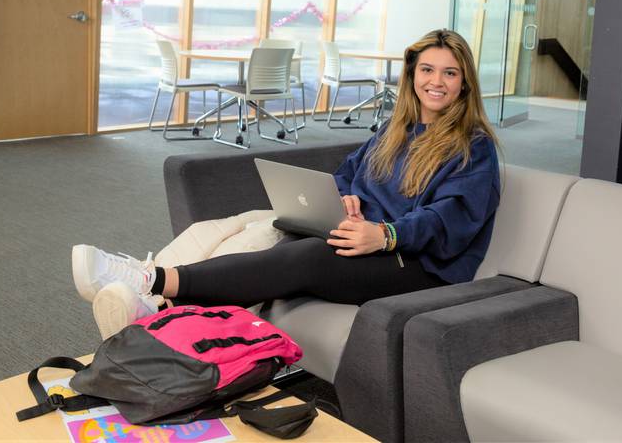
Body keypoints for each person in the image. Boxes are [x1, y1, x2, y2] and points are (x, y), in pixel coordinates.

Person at [72, 29, 501, 337]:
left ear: (464, 83)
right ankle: (156, 303)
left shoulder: (473, 147)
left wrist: (386, 235)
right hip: (361, 235)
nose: (436, 82)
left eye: (449, 73)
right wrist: (346, 196)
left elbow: (450, 220)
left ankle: (154, 282)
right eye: (427, 69)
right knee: (260, 225)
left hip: (420, 266)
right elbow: (349, 170)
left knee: (308, 256)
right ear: (412, 75)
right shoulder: (395, 128)